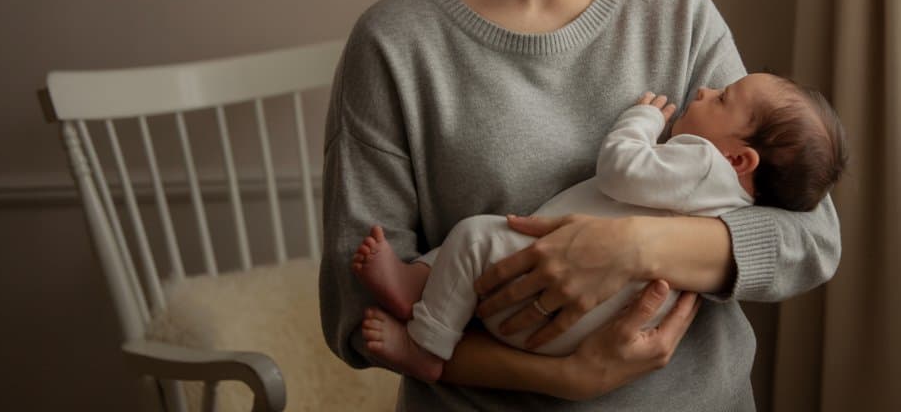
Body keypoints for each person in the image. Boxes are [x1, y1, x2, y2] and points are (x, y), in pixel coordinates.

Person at [319, 0, 842, 410]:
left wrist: (634, 247)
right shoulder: (398, 44)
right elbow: (357, 314)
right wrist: (567, 377)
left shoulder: (675, 6)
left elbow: (810, 236)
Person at [350, 77, 848, 381]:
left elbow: (621, 168)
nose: (706, 88)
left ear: (738, 158)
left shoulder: (700, 162)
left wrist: (642, 120)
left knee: (474, 236)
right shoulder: (730, 194)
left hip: (542, 310)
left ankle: (427, 345)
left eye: (722, 98)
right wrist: (569, 376)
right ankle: (420, 285)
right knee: (477, 248)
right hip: (582, 332)